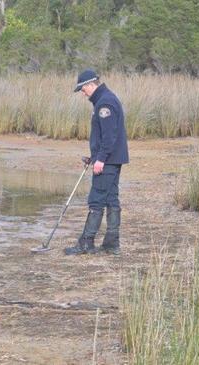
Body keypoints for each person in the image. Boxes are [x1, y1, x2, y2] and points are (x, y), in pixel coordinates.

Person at [64, 69, 129, 256]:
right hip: (112, 158)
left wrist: (101, 158)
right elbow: (106, 137)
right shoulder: (105, 99)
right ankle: (111, 243)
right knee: (111, 199)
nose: (83, 94)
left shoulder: (105, 103)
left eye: (83, 90)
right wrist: (94, 156)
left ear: (90, 85)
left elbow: (110, 136)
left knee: (96, 199)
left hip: (108, 161)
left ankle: (86, 242)